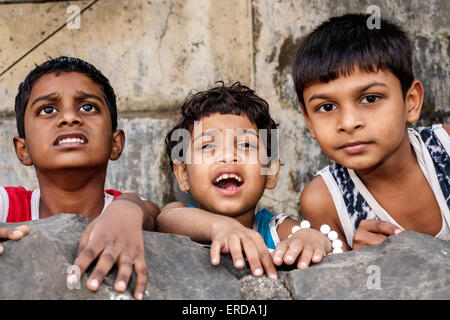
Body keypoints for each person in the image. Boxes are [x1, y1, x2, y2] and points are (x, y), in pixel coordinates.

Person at [0, 57, 160, 300]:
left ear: (115, 143)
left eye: (87, 107)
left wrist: (128, 208)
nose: (69, 118)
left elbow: (153, 213)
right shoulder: (6, 205)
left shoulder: (127, 210)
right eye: (48, 110)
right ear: (23, 150)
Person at [292, 13, 450, 251]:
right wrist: (360, 261)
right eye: (326, 107)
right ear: (309, 122)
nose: (348, 122)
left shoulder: (446, 150)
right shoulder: (325, 201)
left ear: (411, 102)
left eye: (370, 98)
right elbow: (335, 283)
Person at [157, 82, 331, 279]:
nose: (228, 155)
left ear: (271, 171)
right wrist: (222, 227)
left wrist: (310, 238)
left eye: (245, 144)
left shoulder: (275, 230)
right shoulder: (179, 217)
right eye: (207, 146)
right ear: (182, 174)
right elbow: (166, 220)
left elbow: (310, 237)